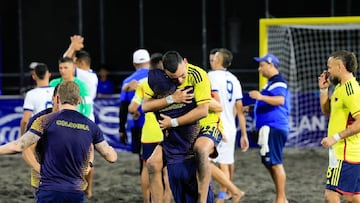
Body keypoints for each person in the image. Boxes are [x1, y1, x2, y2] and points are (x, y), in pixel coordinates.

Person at [0, 81, 118, 203]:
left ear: (57, 98)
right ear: (79, 100)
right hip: (75, 191)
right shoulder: (91, 126)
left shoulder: (44, 120)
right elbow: (111, 157)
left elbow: (18, 146)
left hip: (50, 189)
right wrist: (94, 162)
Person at [143, 51, 219, 203]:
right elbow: (145, 107)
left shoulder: (197, 74)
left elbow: (204, 111)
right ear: (165, 72)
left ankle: (202, 198)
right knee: (152, 163)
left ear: (185, 62)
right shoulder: (158, 79)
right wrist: (171, 99)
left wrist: (173, 122)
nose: (179, 80)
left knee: (201, 149)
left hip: (206, 125)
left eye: (182, 75)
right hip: (180, 132)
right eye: (174, 78)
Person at [128, 53, 172, 203]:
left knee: (147, 167)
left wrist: (136, 112)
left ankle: (147, 201)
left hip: (148, 133)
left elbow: (132, 107)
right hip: (166, 131)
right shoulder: (173, 83)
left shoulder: (144, 83)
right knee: (167, 171)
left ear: (150, 67)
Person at [208, 48, 249, 202]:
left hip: (216, 125)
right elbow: (239, 109)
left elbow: (215, 103)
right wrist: (243, 134)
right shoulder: (234, 79)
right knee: (225, 162)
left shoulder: (210, 76)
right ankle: (225, 195)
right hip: (231, 127)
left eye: (214, 58)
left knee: (207, 161)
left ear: (217, 60)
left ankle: (226, 194)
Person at [319, 50, 360, 203]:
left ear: (340, 67)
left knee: (331, 196)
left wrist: (335, 137)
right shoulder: (340, 88)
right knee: (353, 197)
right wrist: (323, 90)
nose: (327, 71)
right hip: (344, 154)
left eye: (330, 67)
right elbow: (327, 111)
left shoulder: (351, 90)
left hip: (345, 154)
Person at [248, 53, 290, 203]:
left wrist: (260, 97)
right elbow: (271, 101)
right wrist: (253, 107)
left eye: (262, 65)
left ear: (271, 64)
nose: (259, 69)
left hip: (273, 127)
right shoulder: (270, 83)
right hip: (270, 127)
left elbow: (279, 100)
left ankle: (280, 199)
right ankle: (282, 198)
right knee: (270, 162)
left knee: (275, 163)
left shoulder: (278, 82)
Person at [119, 48, 150, 174]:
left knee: (143, 162)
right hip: (159, 124)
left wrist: (121, 129)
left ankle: (147, 193)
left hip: (138, 125)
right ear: (149, 62)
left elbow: (123, 108)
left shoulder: (127, 82)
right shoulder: (158, 77)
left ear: (134, 64)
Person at [63, 35, 98, 122]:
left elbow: (65, 63)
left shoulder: (86, 76)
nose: (73, 64)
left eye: (74, 62)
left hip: (83, 114)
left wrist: (72, 47)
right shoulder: (91, 74)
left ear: (81, 63)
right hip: (85, 114)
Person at [20, 63, 54, 136]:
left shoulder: (31, 94)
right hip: (55, 131)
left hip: (39, 133)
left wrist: (22, 136)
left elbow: (25, 120)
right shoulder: (57, 91)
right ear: (48, 74)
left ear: (34, 76)